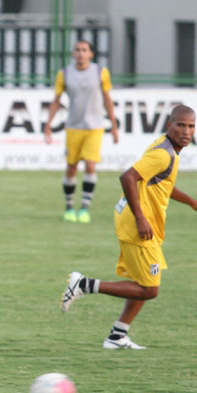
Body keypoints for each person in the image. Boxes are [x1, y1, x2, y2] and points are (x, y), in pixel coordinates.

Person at [61, 105, 196, 349]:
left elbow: (162, 184)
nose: (186, 131)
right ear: (169, 126)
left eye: (191, 126)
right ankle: (83, 284)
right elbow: (127, 177)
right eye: (181, 125)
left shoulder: (167, 148)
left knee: (141, 281)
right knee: (149, 289)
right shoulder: (163, 154)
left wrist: (191, 202)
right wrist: (141, 218)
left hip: (135, 219)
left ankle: (117, 335)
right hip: (139, 224)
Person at [44, 40, 118, 224]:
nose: (80, 53)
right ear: (73, 54)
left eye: (84, 50)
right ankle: (69, 207)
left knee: (90, 166)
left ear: (91, 54)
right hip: (73, 127)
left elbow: (107, 98)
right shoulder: (65, 74)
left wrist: (114, 124)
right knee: (71, 167)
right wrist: (48, 123)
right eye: (77, 50)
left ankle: (84, 208)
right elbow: (56, 100)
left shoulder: (101, 72)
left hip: (94, 128)